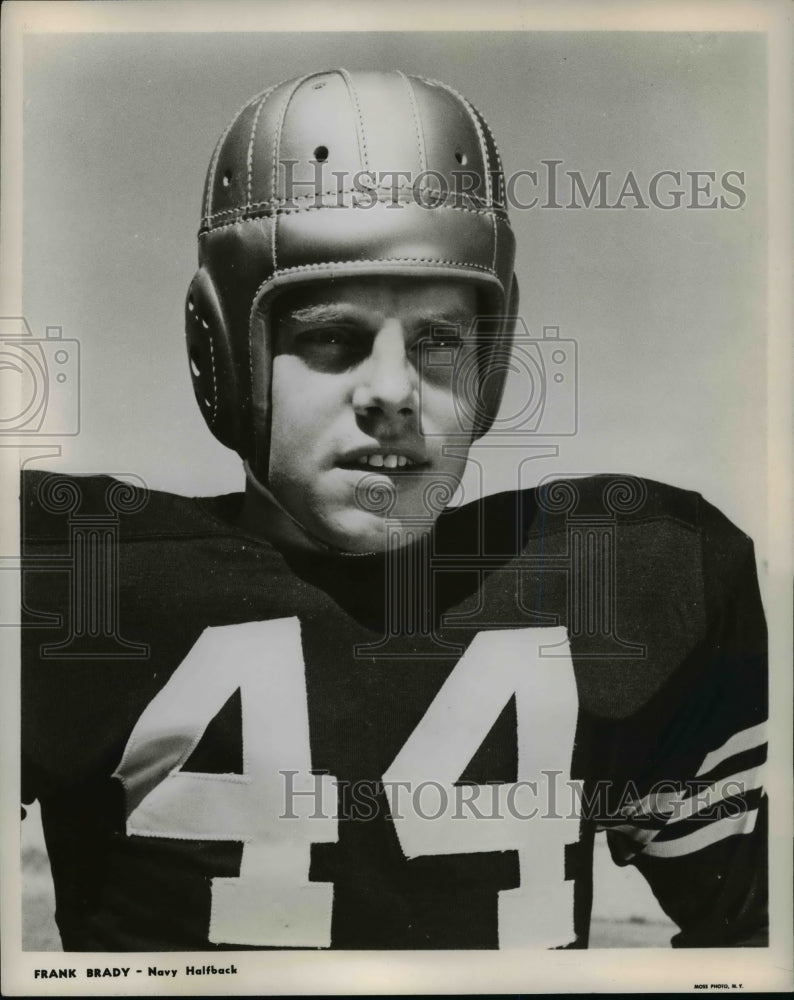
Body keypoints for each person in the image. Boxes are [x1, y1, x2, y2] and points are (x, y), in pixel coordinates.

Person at [21, 68, 767, 951]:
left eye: (438, 340)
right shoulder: (76, 581)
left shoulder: (626, 577)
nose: (393, 392)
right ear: (224, 353)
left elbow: (760, 942)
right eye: (331, 337)